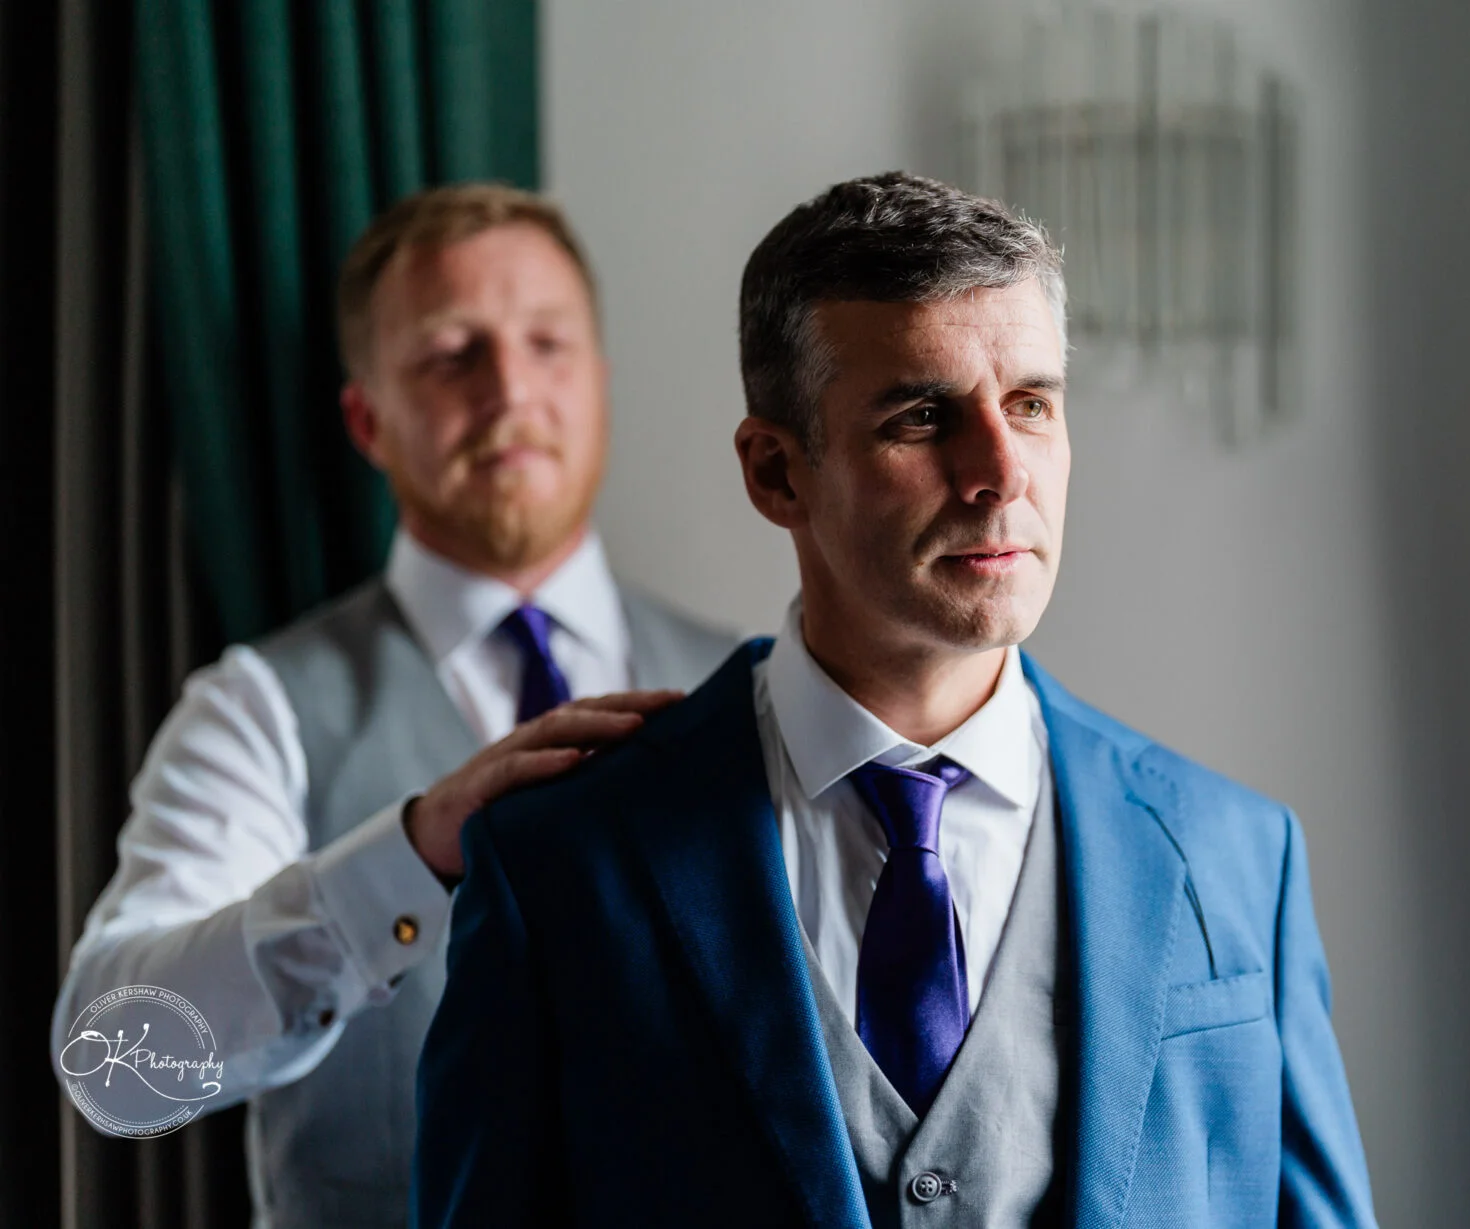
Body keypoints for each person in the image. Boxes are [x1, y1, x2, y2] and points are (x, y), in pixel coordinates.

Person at [413, 172, 1378, 1227]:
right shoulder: (562, 859)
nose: (1002, 473)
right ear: (776, 473)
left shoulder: (1240, 856)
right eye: (922, 417)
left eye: (1032, 404)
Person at [49, 182, 735, 1229]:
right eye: (452, 354)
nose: (510, 391)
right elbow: (116, 1066)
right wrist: (407, 858)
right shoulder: (255, 708)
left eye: (546, 344)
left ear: (597, 381)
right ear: (368, 419)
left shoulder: (749, 688)